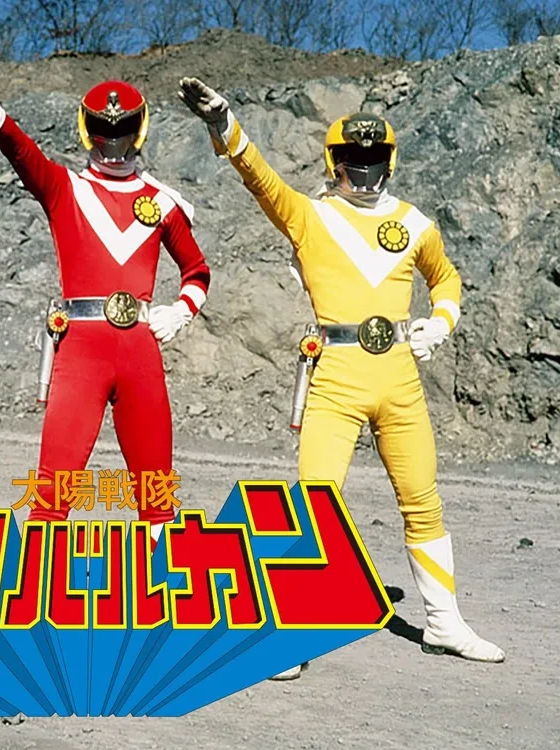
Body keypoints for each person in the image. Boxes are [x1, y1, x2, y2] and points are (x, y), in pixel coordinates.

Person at [178, 77, 504, 679]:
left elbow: (447, 279)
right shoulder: (310, 216)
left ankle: (443, 622)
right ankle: (289, 632)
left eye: (374, 158)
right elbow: (262, 180)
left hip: (399, 376)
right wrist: (226, 125)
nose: (365, 170)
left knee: (422, 499)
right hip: (335, 376)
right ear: (334, 162)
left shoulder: (415, 223)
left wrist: (441, 322)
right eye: (354, 159)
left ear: (390, 161)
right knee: (314, 502)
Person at [0, 54, 210, 544]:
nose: (112, 140)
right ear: (88, 132)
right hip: (82, 351)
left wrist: (181, 310)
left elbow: (198, 271)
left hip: (139, 349)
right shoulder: (64, 188)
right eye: (105, 131)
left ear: (138, 132)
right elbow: (20, 150)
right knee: (53, 493)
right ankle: (37, 591)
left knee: (157, 499)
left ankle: (163, 592)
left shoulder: (163, 201)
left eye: (120, 130)